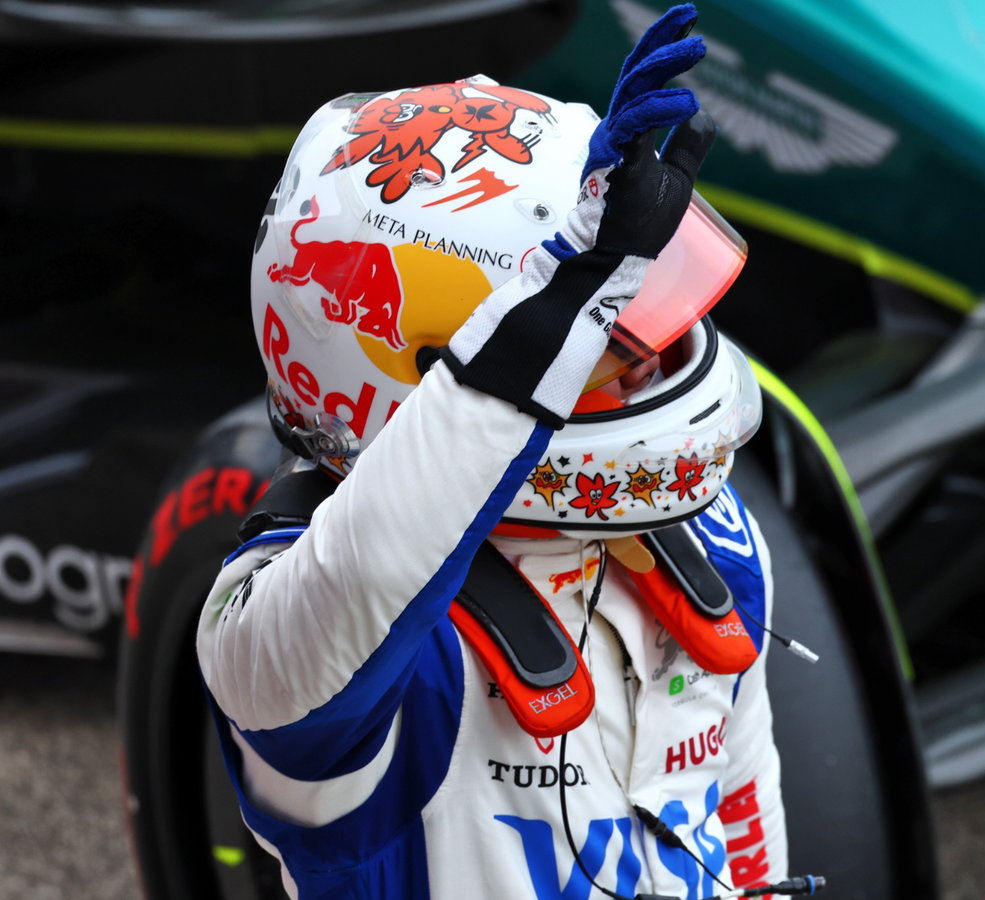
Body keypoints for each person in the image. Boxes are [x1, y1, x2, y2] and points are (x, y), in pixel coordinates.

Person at [196, 6, 800, 897]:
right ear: (430, 373)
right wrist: (550, 313)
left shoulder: (709, 542)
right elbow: (372, 573)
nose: (657, 367)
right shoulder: (272, 636)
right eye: (610, 344)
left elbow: (749, 849)